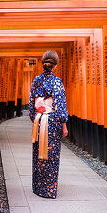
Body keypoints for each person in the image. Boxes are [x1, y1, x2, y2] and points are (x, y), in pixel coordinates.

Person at [28, 50, 69, 199]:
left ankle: (38, 187)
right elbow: (60, 105)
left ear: (43, 63)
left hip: (39, 120)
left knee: (38, 153)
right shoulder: (57, 82)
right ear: (55, 65)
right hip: (52, 122)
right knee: (51, 155)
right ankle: (49, 189)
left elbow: (31, 104)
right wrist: (64, 124)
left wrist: (35, 119)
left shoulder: (36, 80)